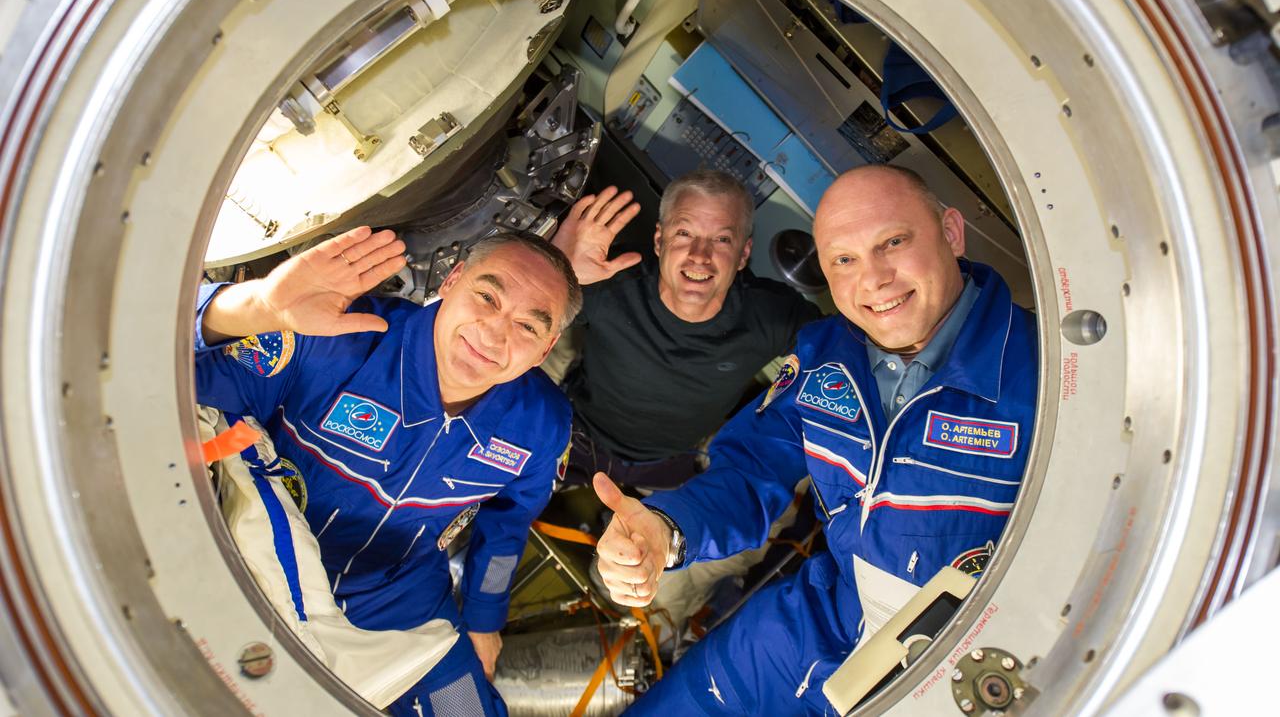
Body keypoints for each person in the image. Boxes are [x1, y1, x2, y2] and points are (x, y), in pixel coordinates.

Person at [592, 165, 1038, 714]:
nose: (872, 280)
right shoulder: (827, 354)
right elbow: (753, 467)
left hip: (963, 658)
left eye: (892, 242)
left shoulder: (1045, 379)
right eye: (843, 261)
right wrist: (667, 528)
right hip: (814, 621)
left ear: (950, 232)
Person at [194, 226, 580, 717]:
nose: (495, 332)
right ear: (451, 280)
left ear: (545, 350)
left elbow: (507, 527)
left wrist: (484, 619)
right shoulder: (336, 335)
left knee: (464, 711)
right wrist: (254, 307)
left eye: (529, 326)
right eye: (486, 296)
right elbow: (175, 383)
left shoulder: (542, 425)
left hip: (403, 601)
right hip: (261, 564)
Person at [552, 170, 820, 488]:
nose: (699, 256)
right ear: (658, 240)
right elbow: (517, 312)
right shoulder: (611, 279)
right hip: (577, 432)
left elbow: (844, 351)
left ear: (742, 255)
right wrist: (556, 269)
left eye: (721, 239)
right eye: (684, 233)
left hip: (675, 464)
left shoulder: (771, 313)